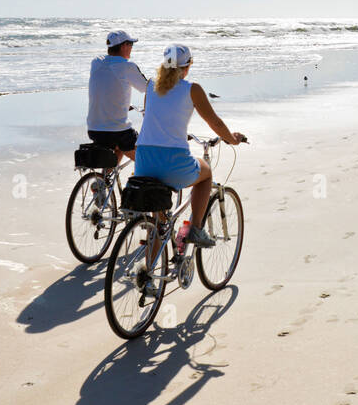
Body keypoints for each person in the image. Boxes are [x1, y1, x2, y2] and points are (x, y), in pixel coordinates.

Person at [136, 43, 244, 248]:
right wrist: (231, 139)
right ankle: (196, 229)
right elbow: (215, 123)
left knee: (159, 223)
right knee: (206, 174)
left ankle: (149, 275)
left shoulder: (150, 85)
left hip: (143, 160)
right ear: (187, 67)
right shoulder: (192, 89)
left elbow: (154, 116)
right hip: (171, 162)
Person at [86, 30, 149, 165]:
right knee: (145, 158)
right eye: (131, 44)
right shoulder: (128, 67)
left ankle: (103, 182)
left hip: (94, 129)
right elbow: (148, 88)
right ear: (123, 46)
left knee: (118, 147)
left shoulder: (96, 62)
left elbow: (109, 86)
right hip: (117, 131)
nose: (132, 47)